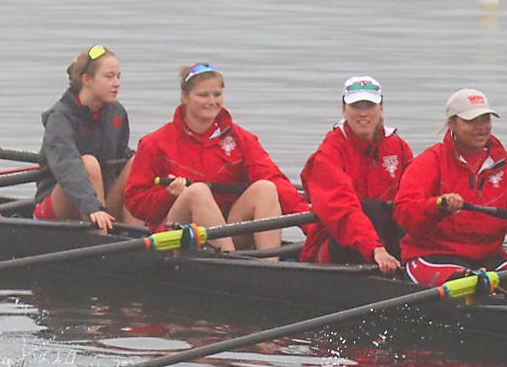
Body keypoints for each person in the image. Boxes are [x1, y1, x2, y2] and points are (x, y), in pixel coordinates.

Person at [123, 63, 308, 252]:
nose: (212, 101)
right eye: (203, 95)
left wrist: (312, 226)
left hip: (228, 227)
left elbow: (275, 180)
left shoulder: (241, 139)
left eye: (217, 94)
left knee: (266, 188)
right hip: (176, 234)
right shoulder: (154, 143)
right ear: (184, 97)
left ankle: (269, 263)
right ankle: (230, 260)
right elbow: (134, 203)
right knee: (198, 191)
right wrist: (167, 194)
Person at [392, 88, 507, 285]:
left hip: (489, 257)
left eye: (485, 120)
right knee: (469, 285)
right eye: (471, 121)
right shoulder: (431, 161)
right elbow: (404, 214)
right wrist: (438, 206)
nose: (481, 128)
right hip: (434, 255)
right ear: (452, 124)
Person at [298, 76, 414, 272]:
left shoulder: (398, 147)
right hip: (335, 245)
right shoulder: (328, 153)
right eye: (356, 106)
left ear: (381, 108)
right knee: (371, 208)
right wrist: (375, 248)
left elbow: (415, 196)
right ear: (344, 110)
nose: (363, 114)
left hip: (383, 244)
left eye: (369, 106)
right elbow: (342, 209)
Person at [33, 44, 135, 231]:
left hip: (100, 201)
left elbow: (121, 156)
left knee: (138, 161)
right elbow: (67, 165)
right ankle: (101, 236)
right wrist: (92, 206)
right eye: (109, 76)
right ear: (86, 79)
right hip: (58, 204)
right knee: (88, 163)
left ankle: (138, 235)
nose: (117, 83)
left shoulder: (116, 112)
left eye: (118, 76)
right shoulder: (60, 117)